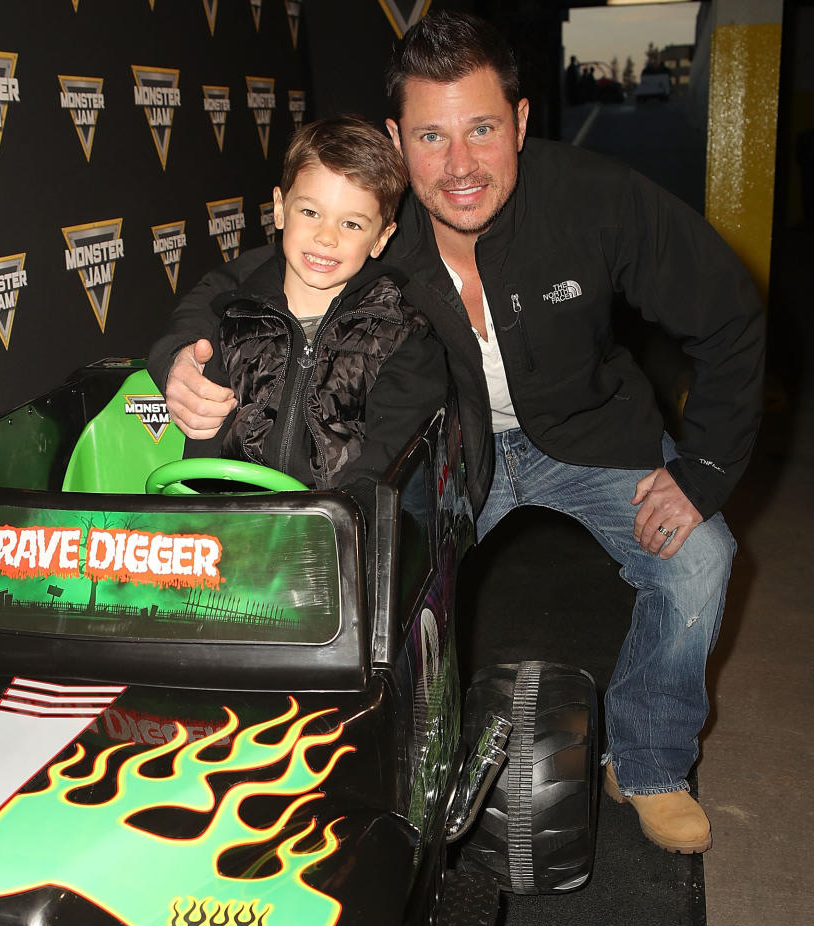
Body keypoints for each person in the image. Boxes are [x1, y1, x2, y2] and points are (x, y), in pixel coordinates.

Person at [149, 12, 765, 856]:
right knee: (368, 591)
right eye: (432, 137)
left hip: (591, 437)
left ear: (518, 122)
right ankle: (368, 780)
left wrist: (700, 469)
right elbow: (235, 281)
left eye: (481, 129)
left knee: (702, 558)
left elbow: (731, 314)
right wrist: (178, 359)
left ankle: (651, 760)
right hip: (450, 447)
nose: (461, 165)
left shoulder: (594, 197)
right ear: (399, 142)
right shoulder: (375, 229)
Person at [148, 115, 447, 491]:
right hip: (237, 532)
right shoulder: (234, 319)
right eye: (310, 212)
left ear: (381, 238)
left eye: (351, 224)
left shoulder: (402, 338)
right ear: (279, 206)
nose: (326, 237)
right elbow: (203, 454)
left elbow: (386, 471)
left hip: (336, 540)